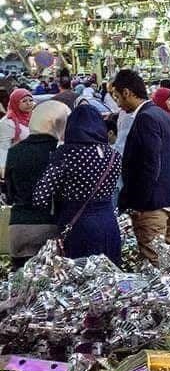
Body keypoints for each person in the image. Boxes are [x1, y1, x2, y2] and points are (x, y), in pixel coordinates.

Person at [111, 70, 170, 265]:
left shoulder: (146, 118)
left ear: (127, 92)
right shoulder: (165, 115)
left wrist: (140, 203)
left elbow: (150, 164)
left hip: (153, 207)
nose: (118, 104)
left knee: (155, 264)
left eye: (117, 97)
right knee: (169, 263)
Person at [33, 104, 122, 265]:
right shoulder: (114, 155)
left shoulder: (66, 153)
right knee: (109, 275)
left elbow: (41, 196)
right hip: (108, 223)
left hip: (77, 226)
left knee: (80, 275)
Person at [4, 101, 69, 267]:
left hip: (19, 226)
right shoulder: (60, 153)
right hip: (50, 226)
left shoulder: (14, 151)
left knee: (20, 279)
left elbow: (10, 193)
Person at [0, 88, 34, 177]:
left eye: (31, 100)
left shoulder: (35, 116)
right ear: (15, 102)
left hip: (35, 163)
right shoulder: (7, 122)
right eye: (24, 101)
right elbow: (3, 148)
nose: (28, 103)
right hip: (17, 167)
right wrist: (3, 170)